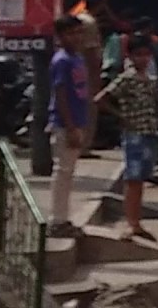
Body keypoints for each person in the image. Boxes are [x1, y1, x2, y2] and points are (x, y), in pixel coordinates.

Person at [94, 34, 158, 241]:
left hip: (148, 133)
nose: (143, 59)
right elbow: (101, 99)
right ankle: (131, 223)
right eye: (139, 55)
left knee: (140, 181)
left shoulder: (148, 79)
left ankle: (136, 222)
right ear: (130, 56)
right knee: (133, 180)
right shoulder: (127, 78)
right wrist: (121, 117)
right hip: (134, 135)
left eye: (146, 54)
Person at [48, 15, 89, 238]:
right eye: (71, 33)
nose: (77, 37)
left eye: (79, 33)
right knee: (62, 172)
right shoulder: (61, 61)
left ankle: (63, 217)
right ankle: (57, 220)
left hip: (77, 121)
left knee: (68, 172)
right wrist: (71, 126)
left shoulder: (77, 59)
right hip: (66, 124)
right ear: (61, 36)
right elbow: (61, 95)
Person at [75, 0, 108, 151]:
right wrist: (96, 76)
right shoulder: (90, 22)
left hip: (77, 70)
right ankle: (84, 146)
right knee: (89, 109)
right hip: (87, 71)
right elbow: (91, 51)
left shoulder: (79, 19)